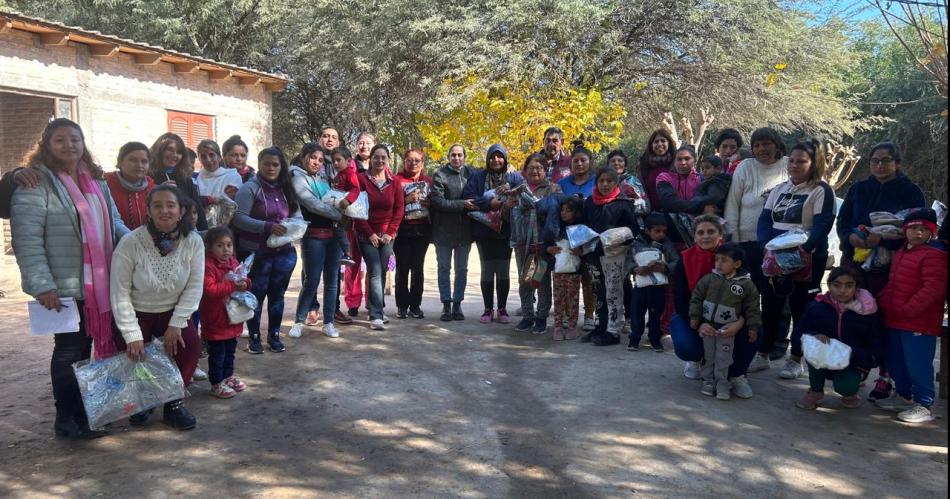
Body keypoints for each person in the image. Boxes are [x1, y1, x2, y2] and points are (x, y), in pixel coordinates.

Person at [11, 118, 129, 439]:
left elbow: (115, 223)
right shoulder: (35, 183)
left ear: (83, 144)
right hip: (62, 284)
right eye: (60, 140)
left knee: (83, 349)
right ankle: (66, 418)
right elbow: (27, 239)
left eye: (74, 139)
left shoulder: (96, 181)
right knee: (67, 350)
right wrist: (41, 285)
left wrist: (141, 244)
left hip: (99, 284)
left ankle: (81, 413)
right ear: (47, 145)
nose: (69, 145)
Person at [835, 141, 926, 400]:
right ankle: (857, 367)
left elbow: (916, 230)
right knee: (853, 313)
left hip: (891, 266)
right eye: (875, 160)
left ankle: (886, 376)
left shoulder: (910, 191)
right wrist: (849, 239)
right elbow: (843, 222)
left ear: (897, 162)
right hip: (854, 262)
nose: (880, 165)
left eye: (886, 160)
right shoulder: (859, 189)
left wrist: (883, 241)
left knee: (885, 319)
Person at [110, 184, 203, 430]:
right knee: (135, 358)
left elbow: (194, 287)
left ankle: (173, 403)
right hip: (137, 312)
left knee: (189, 346)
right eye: (157, 205)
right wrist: (132, 334)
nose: (165, 211)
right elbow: (119, 292)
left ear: (181, 210)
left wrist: (177, 324)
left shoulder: (193, 241)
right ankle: (146, 401)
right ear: (148, 211)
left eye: (171, 205)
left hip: (172, 311)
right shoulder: (131, 242)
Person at [752, 139, 835, 379]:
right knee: (770, 306)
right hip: (775, 258)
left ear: (814, 163)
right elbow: (765, 220)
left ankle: (796, 359)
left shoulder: (821, 190)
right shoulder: (779, 189)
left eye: (802, 161)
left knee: (801, 309)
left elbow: (822, 226)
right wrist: (766, 246)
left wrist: (802, 251)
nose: (795, 165)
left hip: (806, 258)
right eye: (792, 161)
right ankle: (763, 354)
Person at [669, 215, 760, 398]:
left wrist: (740, 322)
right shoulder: (684, 261)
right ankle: (698, 360)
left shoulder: (737, 257)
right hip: (696, 316)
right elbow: (681, 301)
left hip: (730, 318)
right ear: (694, 237)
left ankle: (736, 374)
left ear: (721, 235)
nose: (705, 236)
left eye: (711, 231)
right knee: (688, 346)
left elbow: (749, 296)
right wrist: (700, 322)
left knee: (755, 331)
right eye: (700, 233)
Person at [875, 208, 947, 423]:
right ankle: (903, 395)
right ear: (905, 230)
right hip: (895, 319)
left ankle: (925, 404)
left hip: (918, 323)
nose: (918, 233)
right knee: (896, 360)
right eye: (913, 228)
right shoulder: (901, 252)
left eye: (924, 229)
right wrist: (883, 302)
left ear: (932, 232)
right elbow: (894, 283)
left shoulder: (935, 255)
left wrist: (908, 309)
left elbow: (933, 289)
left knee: (918, 363)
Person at [723, 127, 789, 359]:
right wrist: (733, 240)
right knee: (745, 296)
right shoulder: (745, 167)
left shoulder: (788, 166)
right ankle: (744, 341)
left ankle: (772, 344)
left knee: (775, 297)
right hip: (747, 243)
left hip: (778, 244)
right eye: (757, 145)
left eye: (766, 143)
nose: (762, 149)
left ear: (777, 144)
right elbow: (733, 203)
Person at [233, 147, 302, 353]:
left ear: (281, 167)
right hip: (256, 253)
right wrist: (268, 226)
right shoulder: (250, 188)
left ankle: (274, 335)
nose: (271, 168)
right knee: (256, 296)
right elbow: (238, 218)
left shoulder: (287, 188)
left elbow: (297, 215)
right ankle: (254, 337)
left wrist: (294, 226)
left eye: (275, 164)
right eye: (267, 163)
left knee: (277, 296)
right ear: (260, 164)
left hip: (283, 253)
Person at [795, 267, 884, 410]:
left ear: (856, 287)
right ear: (829, 286)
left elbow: (876, 346)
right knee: (814, 347)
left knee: (845, 387)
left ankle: (850, 392)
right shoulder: (816, 307)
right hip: (823, 360)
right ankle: (815, 392)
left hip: (852, 362)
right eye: (837, 285)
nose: (843, 290)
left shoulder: (868, 312)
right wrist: (813, 336)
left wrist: (852, 353)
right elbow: (800, 332)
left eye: (849, 285)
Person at [288, 144, 346, 339]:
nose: (317, 162)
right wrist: (339, 215)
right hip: (313, 236)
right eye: (313, 157)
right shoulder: (296, 178)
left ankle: (328, 322)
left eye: (321, 160)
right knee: (311, 281)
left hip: (334, 237)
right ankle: (299, 321)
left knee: (332, 282)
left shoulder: (324, 177)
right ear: (303, 157)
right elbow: (313, 205)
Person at [689, 243, 762, 400]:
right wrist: (696, 317)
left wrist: (753, 327)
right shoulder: (709, 279)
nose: (719, 264)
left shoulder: (746, 284)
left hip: (727, 331)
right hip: (708, 328)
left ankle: (723, 383)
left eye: (724, 260)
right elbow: (696, 298)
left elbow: (753, 308)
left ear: (737, 264)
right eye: (717, 260)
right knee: (709, 356)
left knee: (723, 358)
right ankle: (708, 382)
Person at [463, 144, 524, 324]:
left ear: (505, 159)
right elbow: (470, 198)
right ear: (488, 159)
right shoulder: (478, 177)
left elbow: (522, 195)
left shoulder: (514, 177)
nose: (496, 160)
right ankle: (487, 309)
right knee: (487, 270)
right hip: (485, 231)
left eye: (500, 157)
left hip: (507, 231)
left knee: (503, 270)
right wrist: (490, 203)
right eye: (492, 157)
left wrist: (508, 200)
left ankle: (502, 309)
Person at [582, 166, 641, 345]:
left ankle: (613, 331)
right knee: (598, 291)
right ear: (596, 182)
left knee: (613, 292)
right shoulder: (590, 202)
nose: (605, 184)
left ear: (616, 183)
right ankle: (600, 327)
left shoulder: (624, 203)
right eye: (601, 181)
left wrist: (615, 236)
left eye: (609, 181)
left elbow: (633, 230)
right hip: (593, 254)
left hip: (615, 256)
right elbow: (584, 225)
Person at [511, 153, 562, 333]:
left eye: (539, 168)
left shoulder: (553, 189)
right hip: (522, 243)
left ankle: (541, 317)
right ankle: (527, 316)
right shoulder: (518, 190)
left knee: (541, 280)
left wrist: (537, 206)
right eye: (531, 168)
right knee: (525, 280)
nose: (535, 171)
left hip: (543, 243)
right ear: (525, 171)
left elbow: (557, 214)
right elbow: (507, 212)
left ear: (545, 170)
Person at [355, 144, 404, 330]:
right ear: (371, 159)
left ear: (388, 160)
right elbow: (357, 209)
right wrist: (370, 233)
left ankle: (375, 307)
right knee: (375, 270)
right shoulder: (361, 179)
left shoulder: (395, 182)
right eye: (376, 157)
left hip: (387, 236)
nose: (380, 160)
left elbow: (399, 209)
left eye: (383, 157)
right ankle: (376, 314)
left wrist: (390, 233)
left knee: (381, 271)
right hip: (366, 233)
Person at [197, 227, 250, 398]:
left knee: (230, 351)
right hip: (215, 319)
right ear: (210, 247)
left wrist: (246, 284)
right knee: (217, 355)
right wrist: (233, 285)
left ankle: (228, 377)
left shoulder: (234, 262)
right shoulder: (207, 266)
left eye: (229, 245)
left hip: (232, 319)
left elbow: (245, 278)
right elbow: (210, 290)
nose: (226, 249)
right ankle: (216, 383)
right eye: (220, 245)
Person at [430, 144, 478, 321]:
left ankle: (458, 304)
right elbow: (438, 202)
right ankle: (446, 304)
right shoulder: (440, 175)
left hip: (464, 231)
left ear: (464, 156)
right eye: (453, 155)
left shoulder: (471, 174)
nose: (456, 158)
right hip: (443, 231)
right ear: (448, 156)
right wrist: (462, 204)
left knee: (462, 269)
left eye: (459, 155)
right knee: (444, 268)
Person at [557, 146, 598, 331]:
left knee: (588, 277)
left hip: (589, 235)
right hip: (567, 236)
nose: (579, 164)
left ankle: (589, 314)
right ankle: (567, 313)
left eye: (583, 160)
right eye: (576, 161)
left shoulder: (598, 181)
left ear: (589, 162)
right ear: (571, 163)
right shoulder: (563, 184)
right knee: (568, 276)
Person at [628, 213, 678, 351]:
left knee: (656, 316)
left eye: (664, 231)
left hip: (658, 288)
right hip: (640, 287)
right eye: (657, 231)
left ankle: (655, 339)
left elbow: (676, 261)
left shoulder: (666, 244)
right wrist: (635, 269)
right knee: (637, 315)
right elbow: (628, 260)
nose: (661, 234)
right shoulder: (636, 243)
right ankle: (634, 339)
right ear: (647, 230)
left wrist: (665, 268)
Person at [393, 148, 432, 319]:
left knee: (418, 268)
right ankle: (402, 305)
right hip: (402, 229)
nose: (413, 163)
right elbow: (391, 202)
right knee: (402, 268)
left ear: (422, 163)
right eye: (410, 160)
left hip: (422, 230)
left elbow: (437, 202)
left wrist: (430, 203)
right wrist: (405, 200)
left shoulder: (428, 181)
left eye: (417, 160)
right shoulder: (396, 180)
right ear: (404, 162)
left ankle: (415, 305)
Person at [149, 133, 209, 231]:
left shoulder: (185, 180)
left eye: (179, 152)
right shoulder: (147, 177)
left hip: (184, 235)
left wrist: (205, 236)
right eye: (169, 149)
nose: (175, 155)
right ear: (159, 150)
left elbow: (199, 211)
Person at [546, 196, 585, 340]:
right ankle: (558, 327)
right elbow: (546, 244)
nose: (564, 213)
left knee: (572, 299)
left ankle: (572, 327)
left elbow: (587, 248)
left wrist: (580, 252)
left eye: (568, 210)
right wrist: (549, 249)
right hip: (558, 270)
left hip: (574, 271)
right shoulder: (555, 227)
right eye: (562, 210)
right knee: (558, 299)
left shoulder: (580, 229)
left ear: (576, 212)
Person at [655, 145, 704, 246]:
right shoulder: (664, 177)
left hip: (699, 229)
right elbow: (668, 200)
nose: (683, 162)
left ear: (694, 160)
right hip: (672, 228)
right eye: (679, 159)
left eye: (687, 159)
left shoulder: (702, 179)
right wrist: (699, 207)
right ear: (674, 161)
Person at [105, 141, 155, 229]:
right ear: (120, 161)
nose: (139, 165)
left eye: (144, 161)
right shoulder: (106, 185)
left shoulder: (153, 189)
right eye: (133, 160)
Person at [638, 128, 677, 210]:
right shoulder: (644, 165)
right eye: (656, 142)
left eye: (663, 141)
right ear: (651, 145)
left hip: (675, 212)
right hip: (652, 214)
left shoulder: (677, 163)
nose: (659, 144)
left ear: (669, 143)